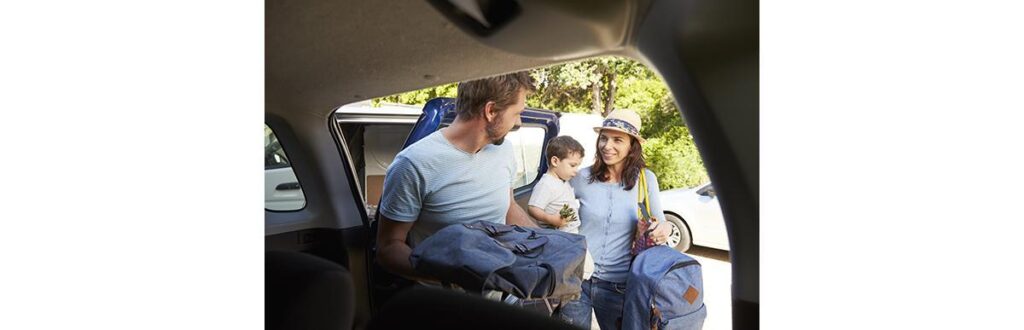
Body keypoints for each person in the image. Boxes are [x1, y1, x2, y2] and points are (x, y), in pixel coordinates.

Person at [375, 72, 538, 282]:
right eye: (516, 113)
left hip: (500, 295)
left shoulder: (504, 150)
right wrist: (454, 276)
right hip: (446, 304)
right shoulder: (414, 164)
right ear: (490, 111)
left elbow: (509, 208)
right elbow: (388, 248)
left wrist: (552, 243)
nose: (519, 122)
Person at [555, 109, 673, 329]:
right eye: (603, 138)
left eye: (617, 140)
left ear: (632, 147)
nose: (607, 146)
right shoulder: (580, 178)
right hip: (576, 281)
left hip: (620, 286)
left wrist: (662, 229)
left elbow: (662, 221)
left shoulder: (646, 180)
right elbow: (558, 212)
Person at [526, 135, 594, 280]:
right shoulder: (546, 184)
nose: (576, 171)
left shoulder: (562, 181)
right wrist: (551, 219)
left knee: (584, 269)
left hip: (570, 233)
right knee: (584, 269)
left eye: (578, 165)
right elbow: (533, 208)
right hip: (560, 235)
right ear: (555, 161)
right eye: (573, 165)